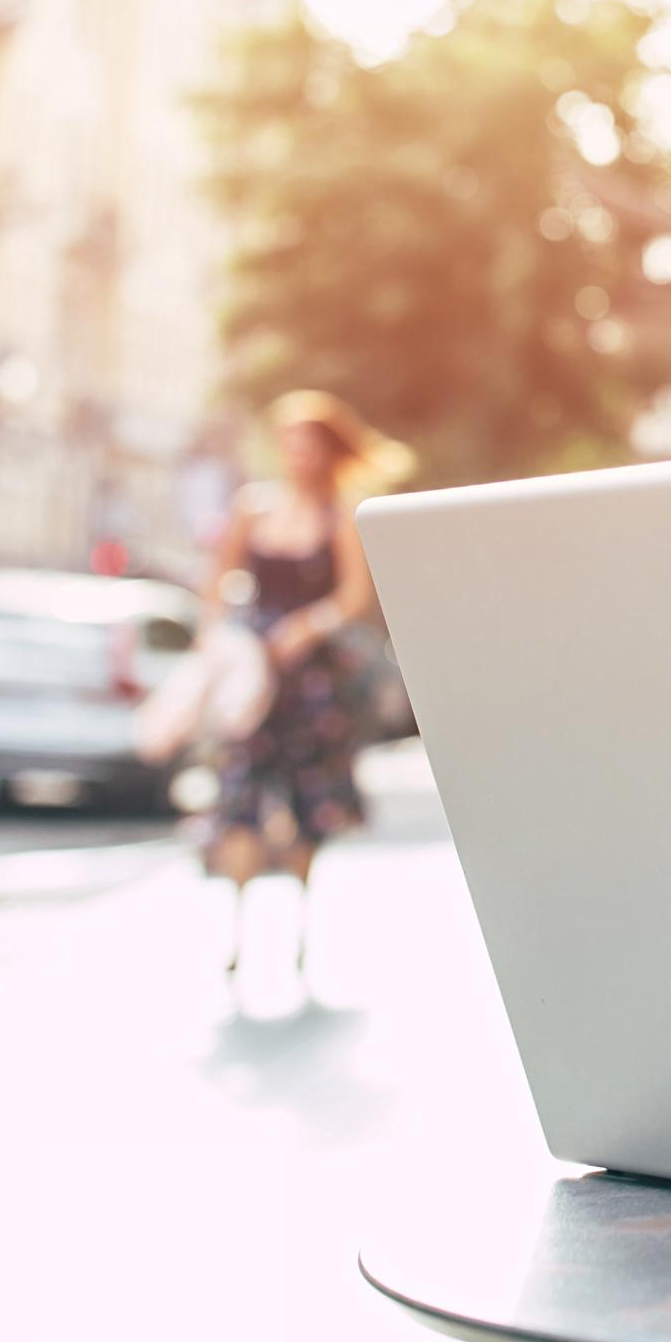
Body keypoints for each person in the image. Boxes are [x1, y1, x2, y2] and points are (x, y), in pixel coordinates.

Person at [201, 388, 406, 980]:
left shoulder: (338, 517)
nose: (296, 454)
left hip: (312, 676)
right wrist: (220, 641)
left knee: (308, 803)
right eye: (288, 442)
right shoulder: (253, 508)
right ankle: (237, 931)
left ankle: (298, 927)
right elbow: (216, 581)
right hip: (255, 675)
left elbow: (352, 596)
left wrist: (306, 628)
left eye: (308, 444)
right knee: (239, 797)